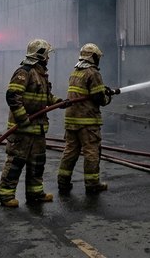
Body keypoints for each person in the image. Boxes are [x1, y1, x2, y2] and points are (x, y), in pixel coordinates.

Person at [0, 38, 64, 207]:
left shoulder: (40, 73)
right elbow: (12, 96)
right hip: (23, 129)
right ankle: (6, 196)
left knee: (37, 162)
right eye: (47, 55)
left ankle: (35, 193)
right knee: (16, 162)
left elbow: (46, 97)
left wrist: (60, 102)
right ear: (40, 55)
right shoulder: (24, 72)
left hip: (37, 128)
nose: (49, 58)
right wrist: (22, 118)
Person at [57, 43, 117, 195]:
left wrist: (102, 91)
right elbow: (98, 98)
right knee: (91, 152)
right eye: (97, 57)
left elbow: (88, 92)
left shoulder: (75, 72)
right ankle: (92, 184)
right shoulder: (93, 72)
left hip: (71, 120)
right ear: (93, 57)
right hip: (87, 121)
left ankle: (63, 182)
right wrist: (107, 97)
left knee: (70, 151)